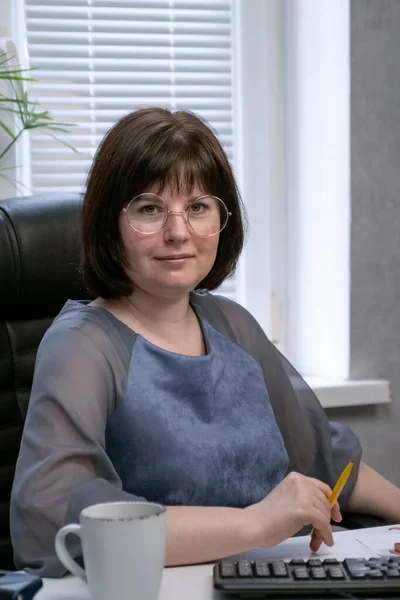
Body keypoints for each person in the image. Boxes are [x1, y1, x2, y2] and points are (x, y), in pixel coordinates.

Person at [10, 108, 400, 577]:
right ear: (110, 224)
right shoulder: (81, 347)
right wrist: (254, 524)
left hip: (273, 579)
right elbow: (58, 518)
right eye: (150, 208)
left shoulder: (232, 323)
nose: (178, 232)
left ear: (223, 219)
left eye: (198, 207)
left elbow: (324, 457)